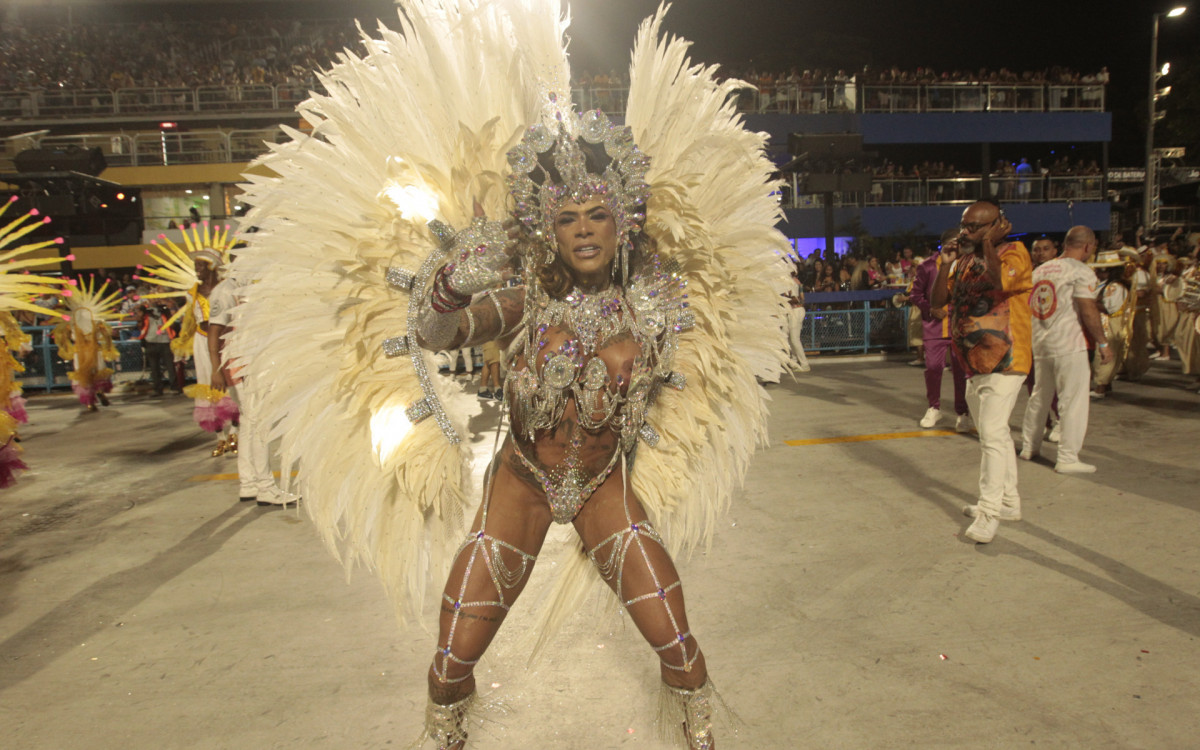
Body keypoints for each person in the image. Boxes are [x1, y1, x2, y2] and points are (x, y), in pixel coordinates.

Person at [223, 4, 791, 748]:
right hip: (519, 486)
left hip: (603, 489)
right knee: (451, 656)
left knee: (677, 642)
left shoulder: (655, 302)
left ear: (621, 221)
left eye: (597, 214)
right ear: (547, 229)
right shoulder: (525, 297)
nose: (584, 228)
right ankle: (447, 732)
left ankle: (701, 737)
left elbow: (696, 360)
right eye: (567, 219)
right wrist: (446, 288)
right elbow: (438, 333)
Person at [931, 200, 1032, 544]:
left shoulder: (1014, 253)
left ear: (997, 226)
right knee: (997, 435)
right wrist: (946, 265)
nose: (966, 232)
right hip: (974, 363)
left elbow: (1000, 280)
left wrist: (988, 243)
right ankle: (1008, 501)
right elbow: (937, 302)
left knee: (989, 435)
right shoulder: (963, 260)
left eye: (975, 226)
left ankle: (989, 512)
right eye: (964, 225)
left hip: (1007, 359)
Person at [1018, 226, 1112, 474]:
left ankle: (1030, 446)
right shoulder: (1080, 271)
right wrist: (1102, 342)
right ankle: (1068, 457)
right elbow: (1087, 309)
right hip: (1069, 344)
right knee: (1073, 400)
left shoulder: (1040, 271)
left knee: (1040, 396)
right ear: (1088, 246)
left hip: (1041, 342)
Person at [207, 273, 295, 507]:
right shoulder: (227, 289)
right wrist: (215, 369)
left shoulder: (249, 284)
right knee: (259, 423)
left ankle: (249, 484)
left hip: (248, 364)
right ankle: (265, 487)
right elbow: (214, 330)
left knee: (249, 424)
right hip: (244, 366)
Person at [909, 229, 969, 431]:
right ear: (942, 244)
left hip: (960, 326)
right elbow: (915, 294)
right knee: (933, 367)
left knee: (961, 372)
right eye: (951, 243)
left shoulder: (968, 264)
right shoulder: (927, 266)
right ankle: (934, 407)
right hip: (934, 326)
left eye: (958, 243)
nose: (954, 247)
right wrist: (931, 309)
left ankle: (962, 412)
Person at [136, 302, 175, 395]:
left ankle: (174, 387)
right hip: (151, 341)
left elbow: (171, 319)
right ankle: (157, 388)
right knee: (154, 367)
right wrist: (141, 313)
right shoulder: (145, 312)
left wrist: (164, 308)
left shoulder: (164, 310)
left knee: (170, 366)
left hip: (165, 341)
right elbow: (139, 324)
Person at [786, 269, 812, 371]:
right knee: (790, 338)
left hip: (796, 311)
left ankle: (804, 364)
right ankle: (794, 361)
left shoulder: (791, 282)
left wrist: (782, 300)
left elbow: (796, 299)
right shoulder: (796, 281)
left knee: (794, 339)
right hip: (796, 311)